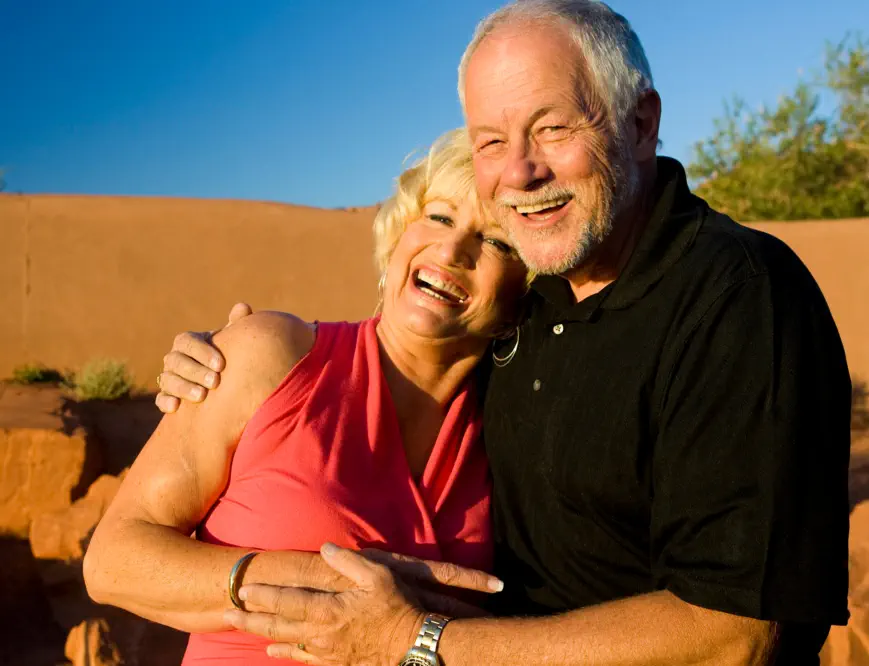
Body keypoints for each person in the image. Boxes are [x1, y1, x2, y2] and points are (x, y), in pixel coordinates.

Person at [157, 1, 852, 664]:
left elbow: (735, 635)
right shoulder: (530, 295)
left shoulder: (737, 297)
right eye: (492, 140)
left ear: (640, 124)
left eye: (552, 129)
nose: (520, 171)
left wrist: (419, 643)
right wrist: (213, 362)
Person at [83, 128, 529, 665]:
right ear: (399, 235)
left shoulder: (514, 428)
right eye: (438, 216)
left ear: (521, 295)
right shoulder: (271, 354)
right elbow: (111, 563)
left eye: (498, 241)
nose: (454, 249)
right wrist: (325, 583)